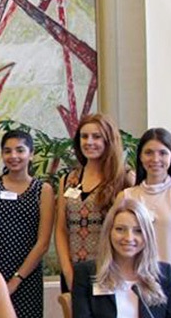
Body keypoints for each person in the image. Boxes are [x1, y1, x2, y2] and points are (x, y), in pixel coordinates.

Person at [72, 198, 171, 318]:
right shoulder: (86, 273)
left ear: (147, 235)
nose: (129, 238)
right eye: (120, 229)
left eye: (138, 231)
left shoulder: (164, 274)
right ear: (109, 232)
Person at [119, 128, 171, 318]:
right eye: (149, 152)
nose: (155, 158)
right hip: (137, 281)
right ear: (140, 157)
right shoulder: (127, 196)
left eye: (162, 152)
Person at [0, 130, 54, 318]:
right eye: (7, 151)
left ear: (31, 154)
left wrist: (17, 279)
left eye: (20, 150)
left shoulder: (43, 190)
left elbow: (43, 242)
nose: (14, 156)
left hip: (26, 275)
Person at [55, 113, 133, 291]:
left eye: (96, 136)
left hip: (109, 272)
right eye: (84, 136)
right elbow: (60, 229)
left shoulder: (124, 178)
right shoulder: (68, 180)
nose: (89, 142)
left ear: (109, 140)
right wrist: (67, 271)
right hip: (73, 271)